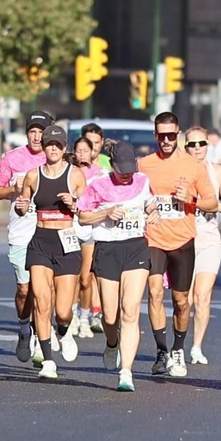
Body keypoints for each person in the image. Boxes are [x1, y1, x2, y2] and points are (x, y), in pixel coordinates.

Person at [138, 111, 218, 378]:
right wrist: (145, 207)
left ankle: (178, 349)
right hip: (154, 237)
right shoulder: (145, 164)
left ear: (178, 134)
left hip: (183, 239)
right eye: (162, 136)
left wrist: (191, 200)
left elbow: (213, 203)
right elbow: (134, 196)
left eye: (171, 135)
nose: (166, 140)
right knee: (154, 292)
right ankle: (162, 350)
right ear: (155, 136)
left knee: (182, 301)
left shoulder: (194, 166)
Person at [75, 143, 154, 393]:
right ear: (112, 164)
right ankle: (112, 343)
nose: (126, 174)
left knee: (130, 310)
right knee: (110, 316)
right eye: (122, 170)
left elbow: (149, 204)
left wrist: (154, 212)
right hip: (107, 249)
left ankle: (126, 372)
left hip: (136, 248)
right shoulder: (98, 185)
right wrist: (106, 213)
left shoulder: (142, 181)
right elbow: (82, 216)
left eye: (130, 169)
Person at [14, 125, 87, 379]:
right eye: (49, 144)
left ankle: (64, 331)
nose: (53, 149)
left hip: (66, 241)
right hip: (41, 242)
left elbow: (87, 209)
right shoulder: (33, 176)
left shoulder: (75, 175)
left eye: (57, 145)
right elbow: (23, 207)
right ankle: (48, 360)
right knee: (42, 302)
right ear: (43, 148)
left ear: (65, 148)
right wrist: (21, 207)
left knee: (63, 310)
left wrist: (74, 204)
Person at [0, 111, 51, 364]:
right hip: (21, 233)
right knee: (25, 290)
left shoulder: (55, 157)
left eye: (41, 132)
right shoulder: (12, 159)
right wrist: (11, 189)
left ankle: (40, 336)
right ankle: (24, 328)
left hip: (50, 232)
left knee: (44, 290)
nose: (37, 137)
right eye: (32, 131)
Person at [185, 126, 221, 365]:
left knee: (202, 296)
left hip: (208, 237)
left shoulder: (219, 172)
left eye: (201, 144)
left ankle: (196, 347)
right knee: (184, 300)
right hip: (182, 237)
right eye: (192, 144)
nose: (197, 149)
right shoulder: (178, 172)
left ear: (208, 146)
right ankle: (176, 347)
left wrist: (212, 207)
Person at [70, 134, 107, 338]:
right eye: (79, 150)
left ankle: (85, 317)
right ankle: (73, 315)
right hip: (71, 228)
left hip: (90, 228)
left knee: (86, 278)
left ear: (93, 152)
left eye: (86, 150)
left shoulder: (101, 174)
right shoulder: (70, 173)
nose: (82, 154)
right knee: (71, 277)